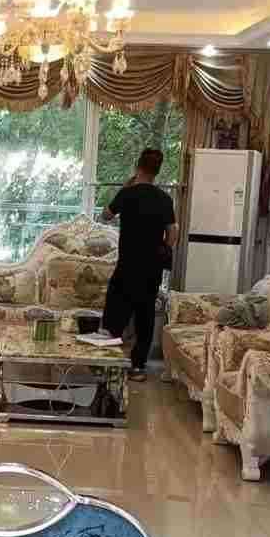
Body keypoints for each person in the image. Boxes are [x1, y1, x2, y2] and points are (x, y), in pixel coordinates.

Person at [98, 146, 177, 380]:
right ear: (157, 171)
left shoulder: (127, 194)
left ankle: (108, 363)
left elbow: (105, 216)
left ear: (137, 167)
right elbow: (172, 234)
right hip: (151, 268)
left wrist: (124, 188)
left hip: (127, 265)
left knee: (115, 314)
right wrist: (162, 249)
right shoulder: (164, 199)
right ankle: (138, 367)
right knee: (145, 316)